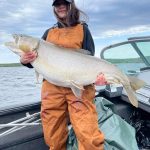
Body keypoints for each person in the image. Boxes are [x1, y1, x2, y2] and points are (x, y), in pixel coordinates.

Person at [20, 0, 104, 149]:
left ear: (71, 5)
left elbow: (90, 58)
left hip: (78, 87)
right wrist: (24, 60)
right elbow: (36, 60)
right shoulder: (48, 32)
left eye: (64, 3)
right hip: (52, 89)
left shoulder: (83, 30)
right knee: (53, 133)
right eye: (57, 4)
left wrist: (98, 77)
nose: (60, 7)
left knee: (88, 133)